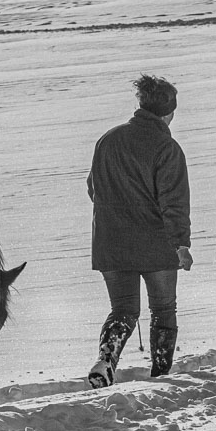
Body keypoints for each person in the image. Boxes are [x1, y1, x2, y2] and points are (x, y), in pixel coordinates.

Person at [86, 74, 192, 388]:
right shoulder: (167, 147)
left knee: (123, 309)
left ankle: (106, 361)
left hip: (110, 243)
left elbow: (94, 188)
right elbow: (173, 202)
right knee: (163, 308)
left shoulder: (108, 139)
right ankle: (160, 374)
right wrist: (181, 244)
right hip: (156, 244)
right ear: (169, 112)